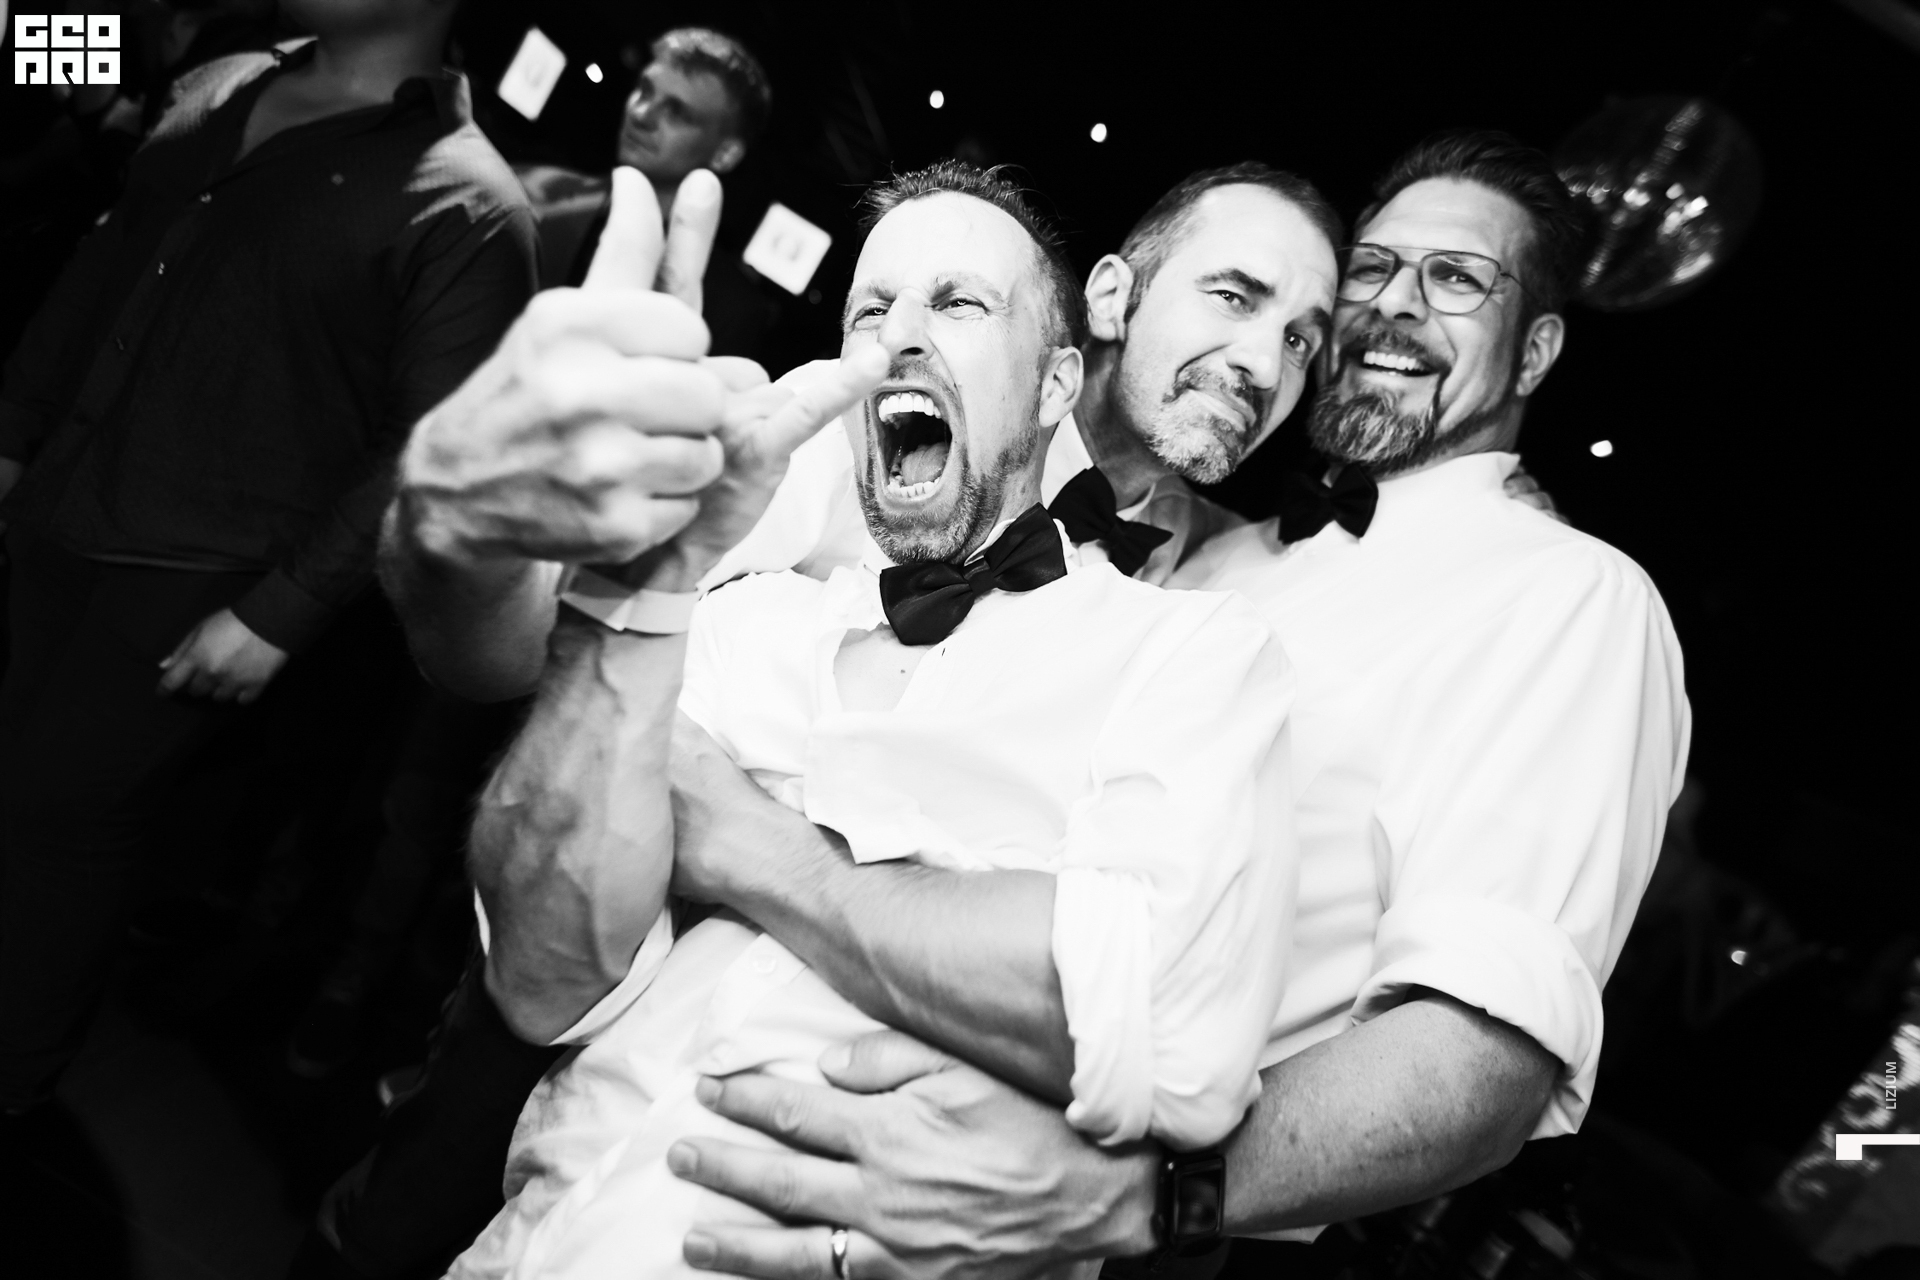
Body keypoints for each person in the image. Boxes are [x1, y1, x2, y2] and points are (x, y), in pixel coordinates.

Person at [637, 131, 1690, 1279]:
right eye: (1375, 271)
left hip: (1125, 1218)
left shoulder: (1569, 596)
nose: (1393, 306)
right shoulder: (1203, 548)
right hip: (730, 1072)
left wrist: (1145, 1198)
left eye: (1456, 279)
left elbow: (1479, 1060)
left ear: (1536, 348)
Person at [429, 159, 1295, 1280]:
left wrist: (751, 845)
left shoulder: (1189, 646)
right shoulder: (752, 616)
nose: (900, 339)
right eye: (871, 311)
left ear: (1055, 383)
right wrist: (626, 602)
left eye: (960, 303)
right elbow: (543, 977)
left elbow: (1163, 1021)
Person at [0, 0, 536, 1118]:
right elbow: (106, 265)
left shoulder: (470, 198)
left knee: (60, 823)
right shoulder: (224, 78)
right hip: (59, 496)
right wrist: (13, 435)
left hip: (195, 564)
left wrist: (279, 614)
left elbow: (427, 440)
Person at [515, 26, 778, 360]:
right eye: (644, 90)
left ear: (725, 153)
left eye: (676, 112)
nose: (641, 114)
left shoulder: (730, 307)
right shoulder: (532, 191)